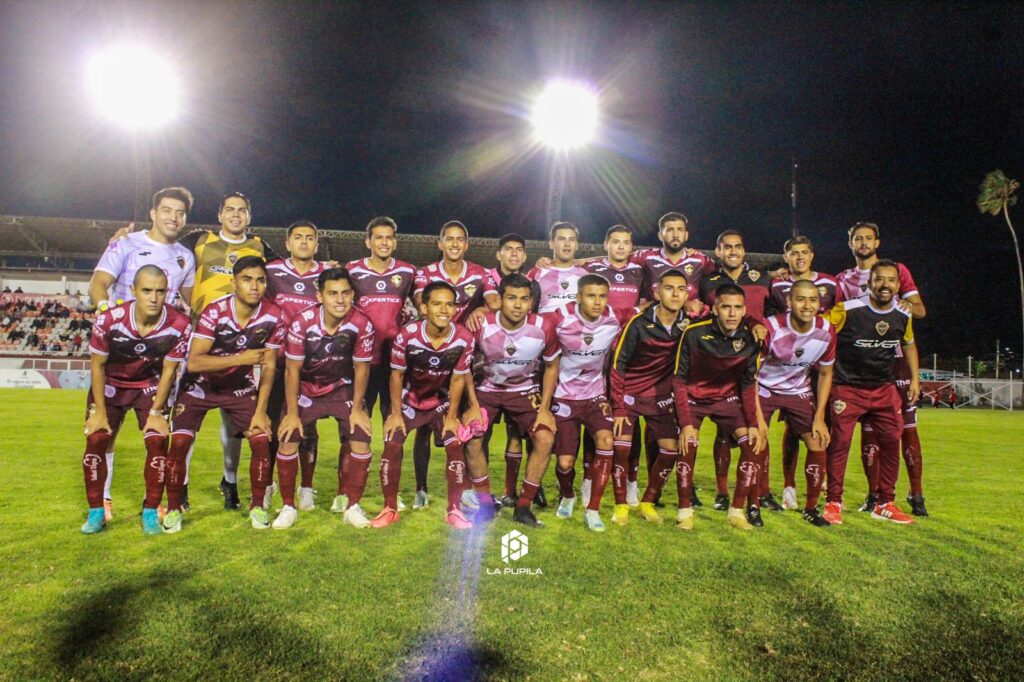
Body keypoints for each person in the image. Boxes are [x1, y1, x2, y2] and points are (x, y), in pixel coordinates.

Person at [88, 186, 197, 521]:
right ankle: (104, 499)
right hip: (119, 348)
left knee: (158, 432)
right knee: (106, 431)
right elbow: (98, 283)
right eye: (167, 210)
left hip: (157, 355)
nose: (173, 217)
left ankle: (155, 501)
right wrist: (108, 313)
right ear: (153, 213)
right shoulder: (126, 243)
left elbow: (192, 302)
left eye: (180, 213)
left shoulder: (185, 256)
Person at [165, 257, 286, 532]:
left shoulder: (274, 314)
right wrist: (241, 358)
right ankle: (173, 509)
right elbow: (195, 362)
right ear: (234, 283)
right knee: (180, 443)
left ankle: (257, 507)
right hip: (200, 385)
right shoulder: (215, 311)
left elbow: (269, 366)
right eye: (247, 279)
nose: (254, 286)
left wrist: (261, 412)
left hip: (238, 387)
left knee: (261, 439)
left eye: (260, 280)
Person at [371, 281, 494, 529]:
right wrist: (395, 413)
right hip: (409, 402)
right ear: (424, 308)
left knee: (454, 445)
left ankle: (454, 511)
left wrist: (452, 415)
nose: (444, 310)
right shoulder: (407, 336)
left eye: (449, 304)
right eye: (437, 304)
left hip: (439, 402)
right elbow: (396, 375)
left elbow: (458, 378)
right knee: (392, 444)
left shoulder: (463, 338)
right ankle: (390, 508)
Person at [79, 265, 191, 534]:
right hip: (111, 385)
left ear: (168, 292)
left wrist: (156, 413)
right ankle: (97, 512)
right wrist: (99, 412)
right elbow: (97, 366)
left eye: (160, 291)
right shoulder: (109, 320)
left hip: (149, 387)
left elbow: (169, 371)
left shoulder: (180, 324)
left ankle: (151, 512)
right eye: (147, 290)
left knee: (158, 441)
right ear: (133, 290)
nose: (154, 298)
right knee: (96, 439)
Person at [836, 222, 928, 516]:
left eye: (868, 238)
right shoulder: (842, 279)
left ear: (877, 242)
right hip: (859, 365)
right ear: (850, 244)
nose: (863, 243)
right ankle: (874, 495)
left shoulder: (896, 270)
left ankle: (916, 494)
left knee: (906, 429)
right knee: (868, 431)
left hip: (895, 362)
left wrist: (899, 304)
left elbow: (920, 310)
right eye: (858, 239)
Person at [658, 283, 764, 531]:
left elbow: (748, 385)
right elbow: (679, 380)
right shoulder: (694, 333)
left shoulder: (750, 339)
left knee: (752, 444)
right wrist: (685, 423)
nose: (732, 313)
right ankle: (685, 511)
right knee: (688, 444)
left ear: (744, 310)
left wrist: (753, 423)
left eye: (737, 308)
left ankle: (736, 512)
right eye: (726, 307)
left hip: (726, 400)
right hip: (693, 398)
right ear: (715, 309)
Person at [276, 268, 375, 529]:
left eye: (345, 293)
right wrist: (292, 414)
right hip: (306, 387)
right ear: (320, 296)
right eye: (332, 294)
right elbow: (292, 369)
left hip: (340, 387)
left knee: (361, 436)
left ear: (352, 294)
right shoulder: (301, 323)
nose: (340, 300)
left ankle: (352, 507)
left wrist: (357, 409)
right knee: (288, 437)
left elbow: (362, 368)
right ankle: (288, 506)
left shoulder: (362, 323)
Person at [822, 260, 919, 526]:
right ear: (869, 283)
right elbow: (818, 330)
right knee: (840, 443)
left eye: (891, 280)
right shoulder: (847, 310)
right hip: (847, 387)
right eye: (879, 279)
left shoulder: (903, 314)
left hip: (883, 388)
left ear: (898, 286)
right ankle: (833, 502)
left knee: (891, 442)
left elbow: (908, 344)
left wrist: (915, 379)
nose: (885, 285)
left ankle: (885, 503)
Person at [409, 222, 498, 509]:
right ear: (441, 244)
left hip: (465, 359)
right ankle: (421, 489)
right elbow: (421, 302)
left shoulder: (480, 273)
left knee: (471, 427)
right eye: (450, 239)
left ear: (467, 245)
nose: (455, 244)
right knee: (423, 427)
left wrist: (482, 307)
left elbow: (495, 301)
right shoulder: (425, 274)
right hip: (430, 354)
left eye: (460, 239)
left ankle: (471, 490)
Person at [463, 274, 559, 527]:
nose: (518, 305)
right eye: (512, 298)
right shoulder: (481, 325)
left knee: (545, 438)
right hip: (487, 389)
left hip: (524, 390)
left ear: (531, 302)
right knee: (472, 439)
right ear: (500, 300)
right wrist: (472, 406)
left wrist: (545, 409)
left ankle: (524, 507)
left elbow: (552, 366)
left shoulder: (544, 327)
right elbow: (463, 367)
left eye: (524, 299)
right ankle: (485, 504)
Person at [698, 230, 772, 512]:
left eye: (737, 247)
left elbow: (775, 314)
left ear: (744, 250)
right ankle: (721, 492)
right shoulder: (708, 282)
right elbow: (701, 314)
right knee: (723, 430)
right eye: (726, 247)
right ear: (718, 251)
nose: (732, 251)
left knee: (758, 427)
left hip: (755, 361)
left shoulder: (763, 279)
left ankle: (761, 492)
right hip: (719, 361)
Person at [609, 269, 689, 527]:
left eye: (681, 289)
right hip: (630, 394)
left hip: (660, 397)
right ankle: (621, 505)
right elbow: (618, 364)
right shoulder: (638, 323)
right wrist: (618, 407)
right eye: (669, 288)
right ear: (656, 292)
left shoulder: (688, 324)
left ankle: (648, 502)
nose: (675, 294)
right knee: (621, 448)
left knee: (671, 450)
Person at [546, 274, 625, 532]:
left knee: (606, 441)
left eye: (602, 296)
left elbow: (645, 309)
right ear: (578, 296)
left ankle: (593, 509)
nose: (597, 302)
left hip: (595, 396)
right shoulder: (559, 318)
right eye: (591, 296)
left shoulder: (615, 317)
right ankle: (568, 495)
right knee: (564, 463)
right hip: (564, 397)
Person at [767, 236, 840, 511]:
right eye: (793, 253)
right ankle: (787, 487)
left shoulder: (831, 283)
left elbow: (843, 310)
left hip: (817, 360)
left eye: (804, 252)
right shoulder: (776, 284)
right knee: (789, 428)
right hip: (783, 363)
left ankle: (821, 484)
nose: (799, 257)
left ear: (812, 255)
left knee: (822, 427)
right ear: (786, 257)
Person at [756, 279, 836, 527]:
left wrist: (819, 417)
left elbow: (826, 373)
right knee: (757, 438)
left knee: (818, 441)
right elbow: (751, 373)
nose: (807, 305)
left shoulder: (826, 330)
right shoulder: (771, 327)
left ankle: (811, 509)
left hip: (798, 390)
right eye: (800, 299)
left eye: (813, 300)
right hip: (764, 387)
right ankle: (758, 497)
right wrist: (757, 417)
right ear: (789, 301)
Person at [261, 221, 327, 513]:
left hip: (311, 364)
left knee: (308, 426)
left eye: (309, 238)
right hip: (277, 362)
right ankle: (268, 485)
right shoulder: (272, 272)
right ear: (287, 243)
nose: (304, 242)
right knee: (273, 426)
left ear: (316, 244)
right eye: (298, 237)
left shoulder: (325, 274)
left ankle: (306, 489)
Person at [527, 222, 590, 313]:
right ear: (551, 244)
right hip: (544, 322)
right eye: (561, 239)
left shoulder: (586, 276)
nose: (567, 244)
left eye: (572, 239)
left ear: (576, 245)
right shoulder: (537, 273)